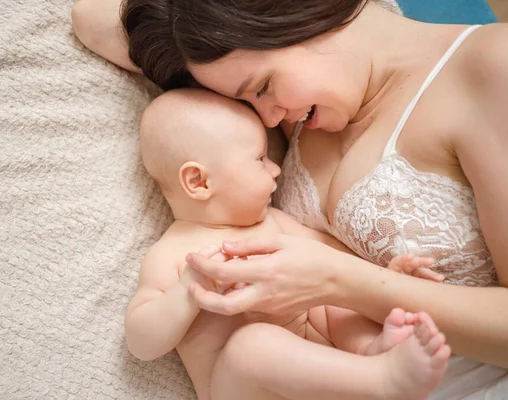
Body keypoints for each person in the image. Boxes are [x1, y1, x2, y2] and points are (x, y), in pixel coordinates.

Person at [71, 0, 508, 397]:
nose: (265, 117)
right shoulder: (288, 112)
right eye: (241, 98)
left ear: (295, 17)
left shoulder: (490, 65)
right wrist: (197, 27)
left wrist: (352, 283)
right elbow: (90, 18)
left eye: (260, 88)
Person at [128, 87, 449, 400]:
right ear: (199, 182)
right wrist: (188, 292)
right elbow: (141, 344)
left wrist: (389, 277)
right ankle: (384, 380)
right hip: (242, 389)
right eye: (260, 158)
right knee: (250, 346)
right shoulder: (171, 255)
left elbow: (339, 265)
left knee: (331, 299)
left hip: (325, 371)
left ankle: (371, 352)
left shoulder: (274, 223)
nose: (276, 168)